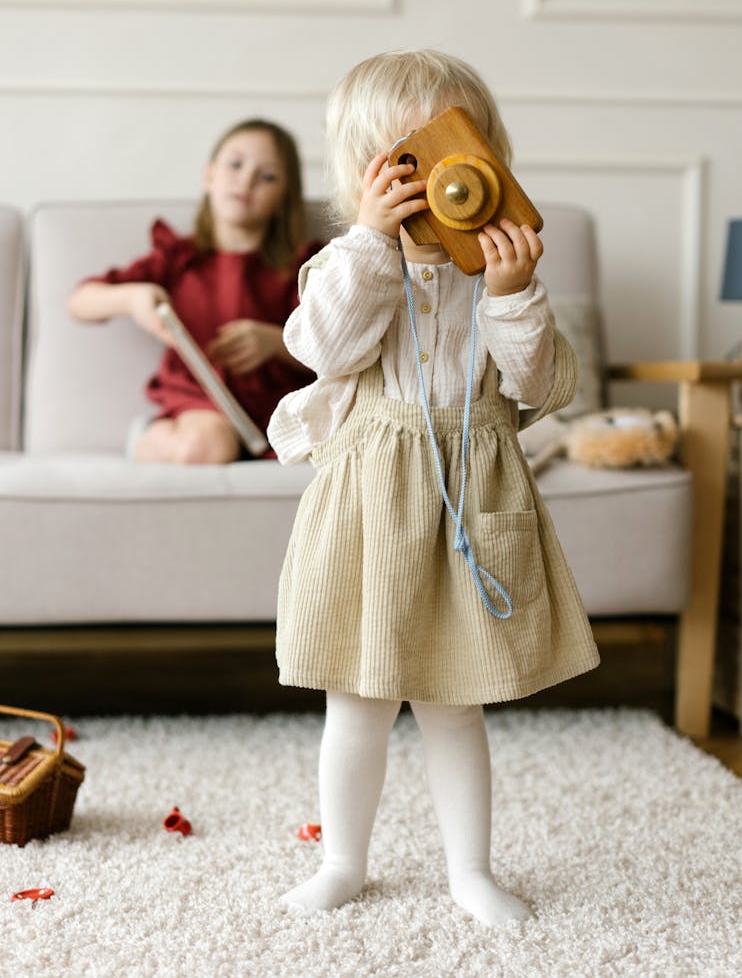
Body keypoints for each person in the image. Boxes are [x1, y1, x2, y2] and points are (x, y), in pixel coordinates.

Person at [267, 49, 600, 926]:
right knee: (360, 698)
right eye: (403, 160)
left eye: (457, 148)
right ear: (365, 173)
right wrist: (375, 241)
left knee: (456, 699)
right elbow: (325, 346)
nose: (434, 179)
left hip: (468, 489)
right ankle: (343, 859)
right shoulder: (349, 261)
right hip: (373, 497)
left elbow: (538, 381)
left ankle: (470, 868)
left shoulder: (497, 267)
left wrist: (512, 290)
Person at [67, 119, 321, 463]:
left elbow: (330, 349)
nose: (245, 181)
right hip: (199, 403)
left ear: (284, 198)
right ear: (209, 176)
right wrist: (132, 297)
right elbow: (79, 302)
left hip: (276, 409)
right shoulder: (178, 257)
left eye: (267, 176)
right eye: (235, 165)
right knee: (208, 443)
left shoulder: (303, 266)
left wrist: (274, 342)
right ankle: (151, 436)